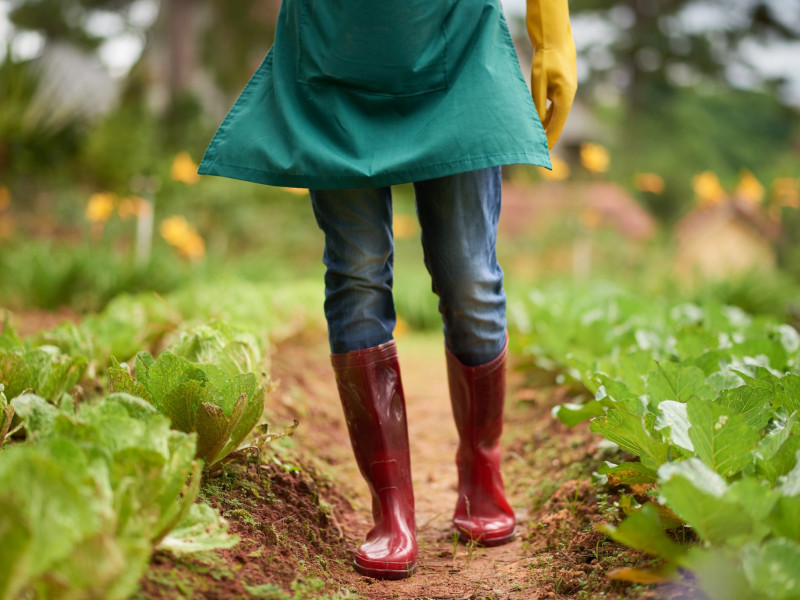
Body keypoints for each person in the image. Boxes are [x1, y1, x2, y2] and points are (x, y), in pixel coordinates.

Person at [199, 0, 576, 580]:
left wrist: (552, 31)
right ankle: (391, 507)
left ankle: (482, 468)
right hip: (334, 44)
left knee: (469, 275)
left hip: (458, 38)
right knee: (357, 271)